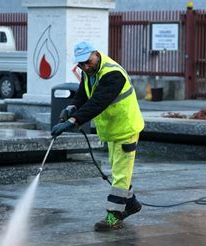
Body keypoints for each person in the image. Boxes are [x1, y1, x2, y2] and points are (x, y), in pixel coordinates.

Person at [51, 41, 145, 231]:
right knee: (119, 172)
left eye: (88, 62)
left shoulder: (112, 74)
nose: (85, 67)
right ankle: (132, 204)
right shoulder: (90, 71)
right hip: (113, 130)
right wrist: (72, 107)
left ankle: (114, 216)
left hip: (126, 129)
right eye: (81, 65)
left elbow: (97, 102)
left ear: (96, 54)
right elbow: (84, 93)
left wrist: (73, 121)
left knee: (120, 175)